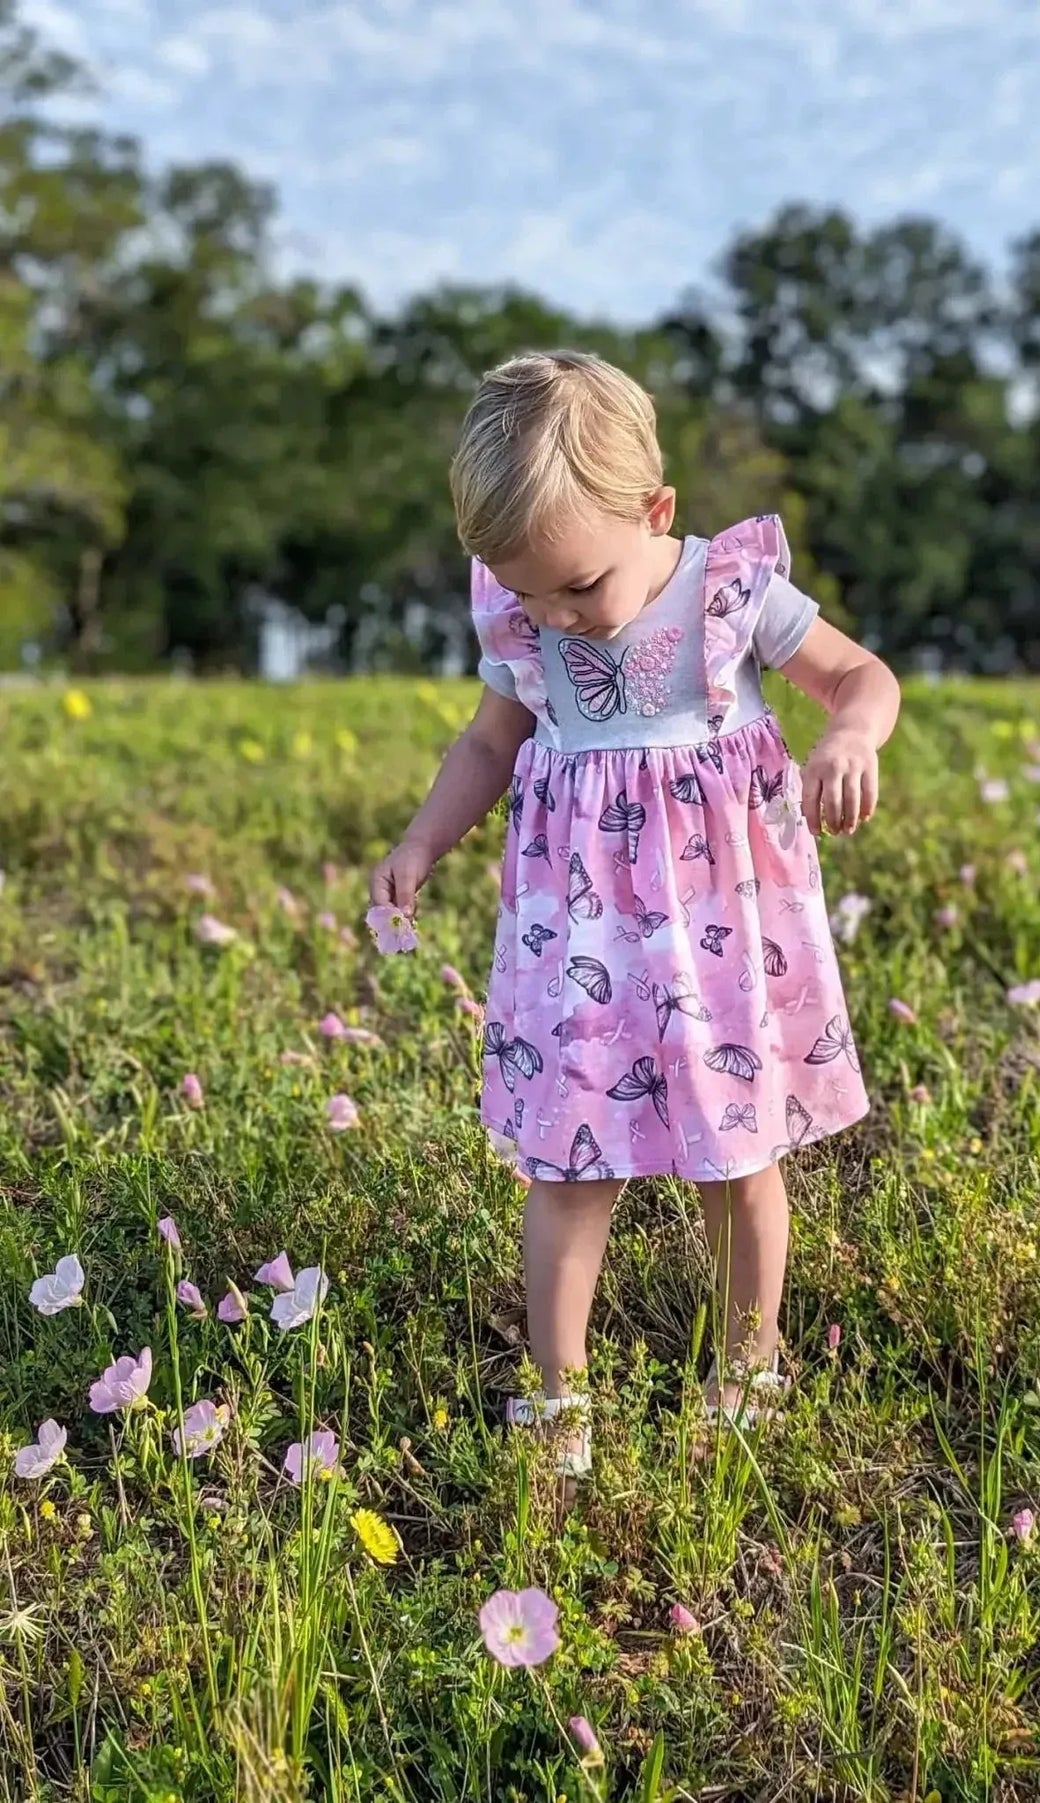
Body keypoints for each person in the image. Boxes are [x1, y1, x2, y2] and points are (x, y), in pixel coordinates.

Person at [370, 350, 900, 1480]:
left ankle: (747, 1372)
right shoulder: (528, 622)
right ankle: (559, 1400)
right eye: (526, 594)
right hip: (583, 937)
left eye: (576, 588)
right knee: (568, 1161)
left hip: (721, 934)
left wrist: (851, 735)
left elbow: (860, 676)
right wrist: (421, 840)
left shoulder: (728, 590)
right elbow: (489, 744)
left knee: (737, 1156)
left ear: (654, 513)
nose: (556, 617)